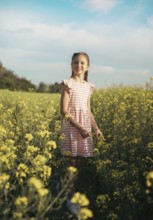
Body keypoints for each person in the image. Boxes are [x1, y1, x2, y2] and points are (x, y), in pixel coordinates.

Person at [60, 52, 104, 169]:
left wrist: (96, 129)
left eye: (82, 63)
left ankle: (79, 184)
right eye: (75, 62)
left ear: (87, 66)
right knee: (72, 162)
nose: (78, 65)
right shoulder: (67, 84)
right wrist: (79, 127)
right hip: (72, 127)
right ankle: (70, 186)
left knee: (83, 161)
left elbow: (88, 111)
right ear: (71, 64)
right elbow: (64, 111)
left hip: (85, 128)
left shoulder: (88, 86)